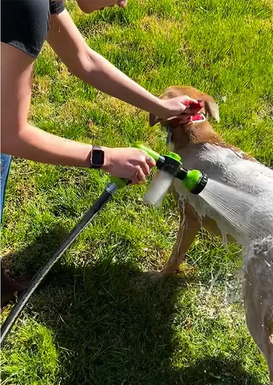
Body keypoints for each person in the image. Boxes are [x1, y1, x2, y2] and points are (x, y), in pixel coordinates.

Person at [1, 0, 198, 306]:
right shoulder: (23, 8)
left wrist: (160, 107)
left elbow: (84, 59)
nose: (123, 3)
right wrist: (105, 158)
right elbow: (9, 134)